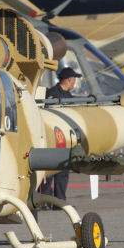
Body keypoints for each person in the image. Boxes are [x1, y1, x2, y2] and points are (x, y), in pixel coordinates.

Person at [40, 66, 82, 208]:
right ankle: (45, 201)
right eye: (74, 79)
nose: (74, 82)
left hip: (65, 140)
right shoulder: (51, 93)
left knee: (63, 172)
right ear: (69, 80)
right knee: (49, 171)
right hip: (52, 138)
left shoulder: (69, 97)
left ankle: (60, 201)